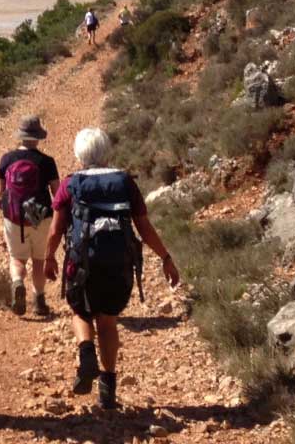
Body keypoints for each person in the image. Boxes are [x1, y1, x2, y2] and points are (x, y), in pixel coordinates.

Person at [44, 127, 179, 410]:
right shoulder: (125, 182)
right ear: (107, 153)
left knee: (80, 311)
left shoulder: (70, 184)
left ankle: (86, 353)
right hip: (118, 264)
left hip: (82, 263)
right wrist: (165, 257)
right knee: (108, 322)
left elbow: (56, 230)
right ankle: (107, 391)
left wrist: (49, 257)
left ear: (80, 154)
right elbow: (144, 226)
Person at [0, 115, 58, 316]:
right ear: (38, 137)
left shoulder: (7, 159)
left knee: (17, 259)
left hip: (14, 217)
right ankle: (39, 301)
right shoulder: (47, 162)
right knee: (39, 261)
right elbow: (57, 194)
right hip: (41, 217)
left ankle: (17, 282)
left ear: (21, 136)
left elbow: (2, 193)